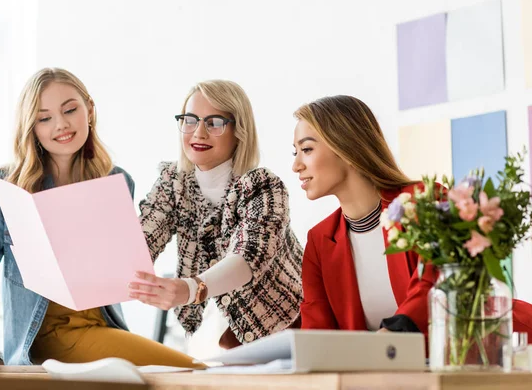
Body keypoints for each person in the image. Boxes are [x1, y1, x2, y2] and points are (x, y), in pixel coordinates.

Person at [0, 68, 199, 367]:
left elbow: (119, 269)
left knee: (187, 371)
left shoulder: (117, 181)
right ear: (31, 127)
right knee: (189, 370)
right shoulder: (6, 186)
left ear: (90, 110)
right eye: (44, 118)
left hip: (102, 327)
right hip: (45, 336)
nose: (61, 125)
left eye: (70, 109)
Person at [292, 94, 532, 338]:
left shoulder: (426, 202)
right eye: (296, 153)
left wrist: (393, 333)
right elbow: (317, 334)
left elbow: (437, 282)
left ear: (345, 147)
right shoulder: (319, 242)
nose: (296, 165)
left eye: (307, 149)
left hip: (499, 347)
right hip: (402, 370)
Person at [128, 80, 303, 348]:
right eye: (190, 120)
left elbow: (247, 258)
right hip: (214, 331)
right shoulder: (174, 182)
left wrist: (189, 288)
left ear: (239, 131)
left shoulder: (263, 187)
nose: (198, 132)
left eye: (214, 122)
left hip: (284, 331)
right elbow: (142, 240)